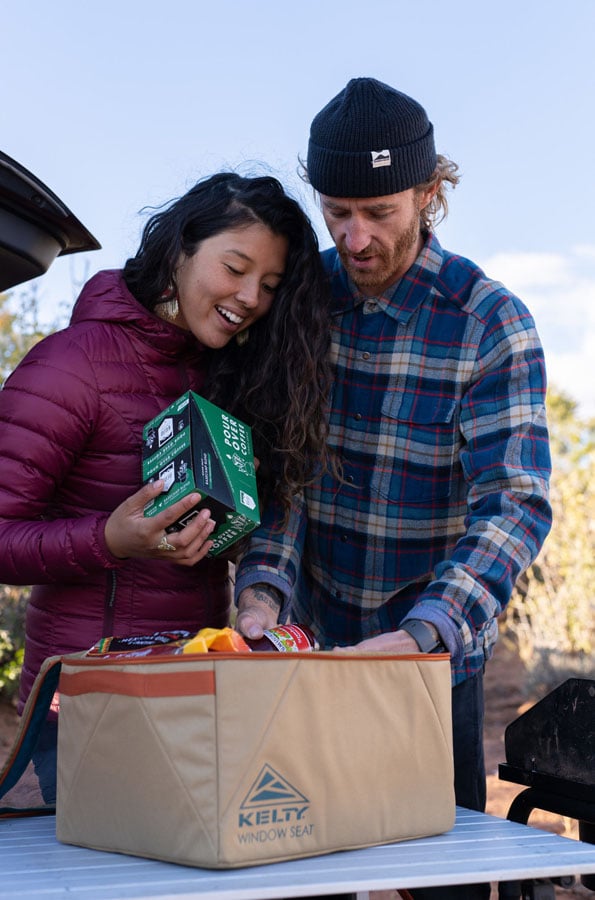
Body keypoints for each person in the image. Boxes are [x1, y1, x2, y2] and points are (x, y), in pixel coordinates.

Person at [234, 79, 552, 900]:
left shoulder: (490, 322)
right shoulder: (301, 306)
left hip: (428, 664)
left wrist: (424, 635)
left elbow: (514, 501)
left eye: (377, 211)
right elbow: (283, 475)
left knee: (438, 881)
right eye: (337, 210)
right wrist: (263, 590)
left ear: (428, 191)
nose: (354, 235)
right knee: (300, 875)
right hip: (306, 652)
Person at [0, 171, 333, 803]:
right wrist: (108, 539)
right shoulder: (69, 366)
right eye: (234, 268)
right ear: (181, 248)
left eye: (268, 285)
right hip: (83, 700)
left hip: (193, 692)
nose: (250, 298)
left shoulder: (229, 374)